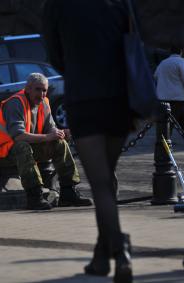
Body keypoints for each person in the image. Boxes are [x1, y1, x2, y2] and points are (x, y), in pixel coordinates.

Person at [43, 1, 134, 282]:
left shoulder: (57, 6)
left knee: (100, 184)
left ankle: (121, 252)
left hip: (85, 98)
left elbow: (54, 55)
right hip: (120, 98)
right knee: (108, 178)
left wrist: (78, 66)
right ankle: (100, 257)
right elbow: (133, 44)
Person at [0, 73, 92, 210]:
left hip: (25, 147)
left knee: (60, 143)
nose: (42, 94)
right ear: (28, 89)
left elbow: (51, 129)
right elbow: (19, 136)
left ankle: (68, 192)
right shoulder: (15, 103)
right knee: (22, 147)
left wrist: (61, 133)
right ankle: (34, 196)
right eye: (38, 89)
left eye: (44, 90)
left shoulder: (44, 103)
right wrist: (47, 137)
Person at [154, 46, 184, 138]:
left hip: (162, 99)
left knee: (172, 124)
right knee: (178, 124)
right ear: (181, 52)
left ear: (170, 52)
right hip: (178, 98)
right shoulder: (182, 61)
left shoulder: (163, 63)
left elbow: (155, 76)